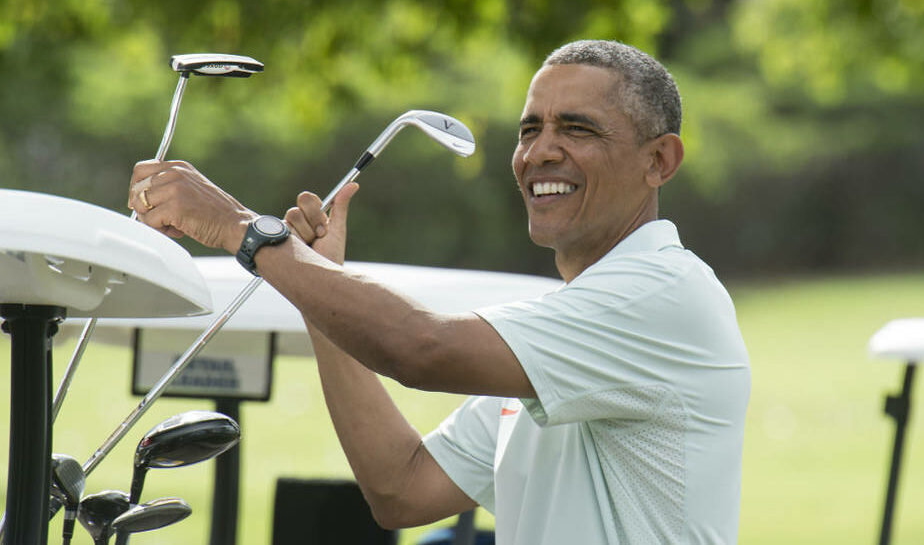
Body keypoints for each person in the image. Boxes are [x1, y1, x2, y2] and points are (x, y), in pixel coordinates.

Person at [128, 39, 750, 544]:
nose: (540, 152)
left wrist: (244, 230)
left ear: (660, 161)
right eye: (529, 129)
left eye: (578, 129)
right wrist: (317, 290)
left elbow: (420, 348)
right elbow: (404, 489)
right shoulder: (566, 329)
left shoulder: (662, 294)